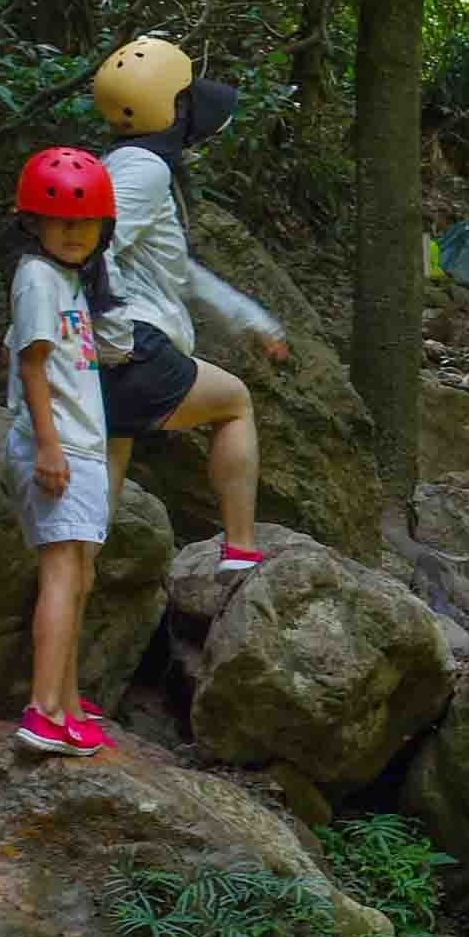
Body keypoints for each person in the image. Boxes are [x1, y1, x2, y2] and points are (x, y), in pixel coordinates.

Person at [88, 34, 291, 572]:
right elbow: (94, 248)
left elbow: (180, 273)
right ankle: (241, 550)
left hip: (103, 352)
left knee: (98, 502)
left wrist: (251, 320)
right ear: (168, 105)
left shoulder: (123, 163)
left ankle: (77, 593)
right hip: (130, 345)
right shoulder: (145, 170)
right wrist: (114, 338)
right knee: (235, 403)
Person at [5, 145, 120, 758]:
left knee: (76, 577)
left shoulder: (71, 280)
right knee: (60, 573)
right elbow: (32, 366)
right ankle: (43, 707)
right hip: (60, 447)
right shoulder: (37, 278)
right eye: (61, 219)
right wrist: (48, 446)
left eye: (86, 220)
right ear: (34, 222)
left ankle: (68, 704)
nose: (75, 231)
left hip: (81, 445)